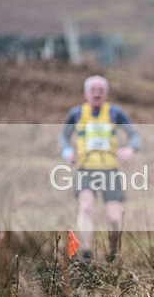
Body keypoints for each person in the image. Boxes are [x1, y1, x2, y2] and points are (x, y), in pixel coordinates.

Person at [59, 75, 140, 264]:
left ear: (106, 93)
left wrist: (130, 148)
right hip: (85, 169)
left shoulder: (115, 113)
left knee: (113, 217)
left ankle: (113, 254)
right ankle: (86, 254)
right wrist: (66, 151)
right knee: (86, 207)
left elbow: (134, 135)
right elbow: (63, 137)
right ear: (85, 93)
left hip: (110, 171)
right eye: (93, 90)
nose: (97, 94)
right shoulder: (76, 113)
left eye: (100, 90)